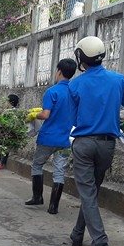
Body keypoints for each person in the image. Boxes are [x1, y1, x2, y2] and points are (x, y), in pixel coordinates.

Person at [68, 36, 124, 246]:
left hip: (83, 143)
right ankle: (77, 233)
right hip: (107, 145)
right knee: (91, 191)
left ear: (81, 57)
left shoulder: (75, 84)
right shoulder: (118, 80)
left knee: (88, 192)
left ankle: (100, 243)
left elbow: (72, 117)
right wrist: (119, 116)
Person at [26, 58, 77, 214]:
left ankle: (37, 197)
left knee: (37, 164)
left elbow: (46, 114)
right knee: (59, 171)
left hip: (48, 138)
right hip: (66, 139)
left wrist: (34, 115)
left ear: (59, 71)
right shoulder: (75, 92)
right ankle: (53, 206)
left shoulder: (52, 91)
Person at [0, 94, 22, 170]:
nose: (5, 103)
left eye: (7, 101)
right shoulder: (8, 110)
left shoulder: (12, 111)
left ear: (11, 102)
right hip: (6, 132)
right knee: (3, 148)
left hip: (10, 132)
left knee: (5, 148)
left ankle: (1, 163)